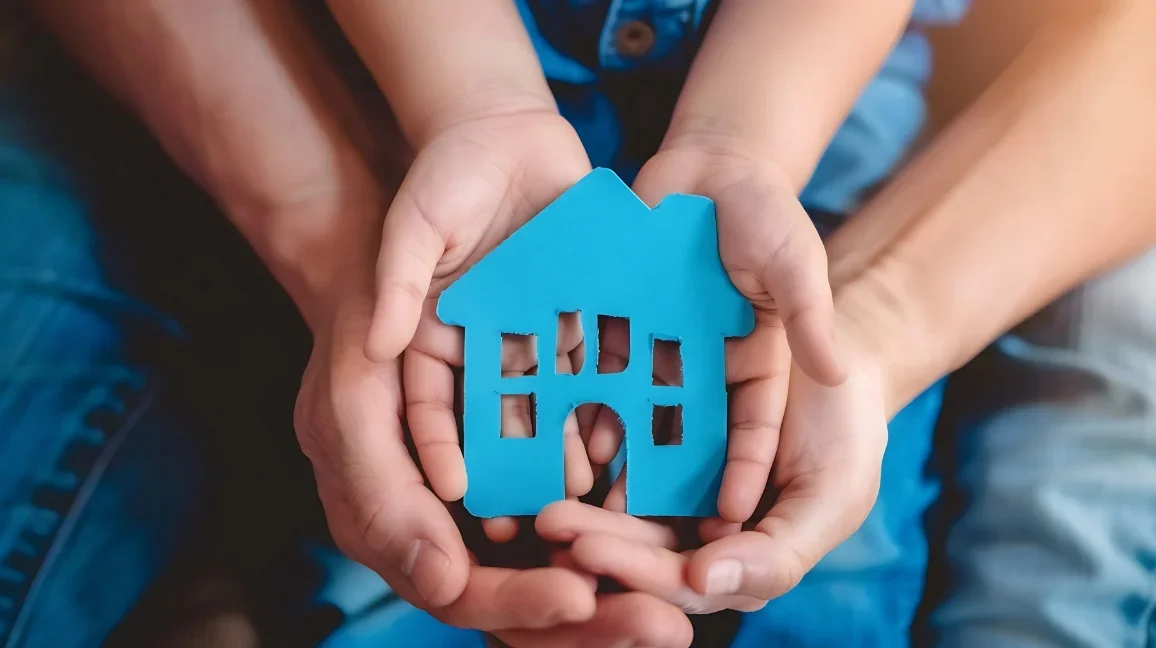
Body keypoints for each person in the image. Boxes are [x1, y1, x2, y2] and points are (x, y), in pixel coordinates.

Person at [1, 0, 1154, 646]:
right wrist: (455, 115)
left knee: (836, 596)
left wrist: (752, 151)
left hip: (820, 111)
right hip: (322, 75)